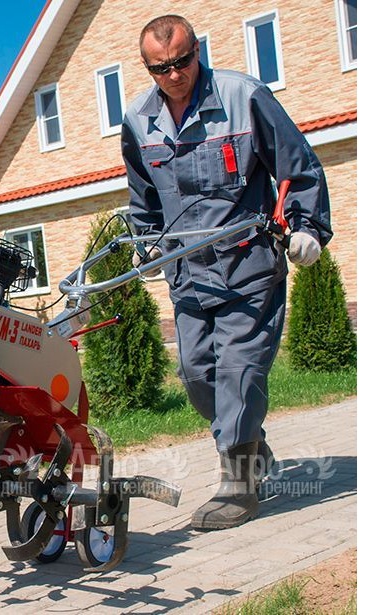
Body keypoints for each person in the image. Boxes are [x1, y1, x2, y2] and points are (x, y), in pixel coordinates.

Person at [122, 15, 332, 530]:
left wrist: (307, 227)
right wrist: (146, 245)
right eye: (160, 68)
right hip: (188, 276)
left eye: (181, 62)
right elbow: (144, 198)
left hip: (248, 268)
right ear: (147, 67)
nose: (173, 75)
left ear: (197, 51)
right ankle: (252, 449)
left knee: (239, 372)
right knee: (197, 376)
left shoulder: (244, 96)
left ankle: (238, 487)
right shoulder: (138, 120)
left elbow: (298, 166)